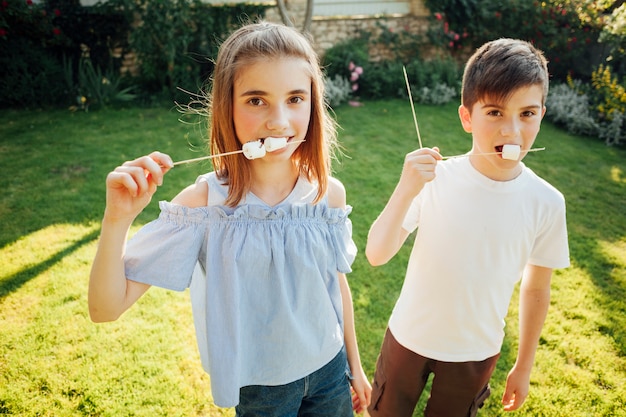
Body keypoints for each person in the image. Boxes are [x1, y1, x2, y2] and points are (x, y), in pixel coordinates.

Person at [89, 21, 371, 416]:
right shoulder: (204, 205)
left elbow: (335, 285)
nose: (279, 121)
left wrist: (354, 367)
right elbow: (105, 309)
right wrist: (116, 219)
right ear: (228, 106)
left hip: (329, 370)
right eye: (256, 100)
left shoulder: (328, 192)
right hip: (261, 389)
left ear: (313, 102)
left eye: (295, 99)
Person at [365, 38, 570, 416]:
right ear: (466, 117)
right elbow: (376, 254)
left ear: (542, 113)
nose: (512, 131)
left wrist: (523, 366)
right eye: (494, 112)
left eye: (526, 114)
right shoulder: (435, 178)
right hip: (408, 338)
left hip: (475, 352)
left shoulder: (547, 203)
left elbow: (537, 288)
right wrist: (406, 187)